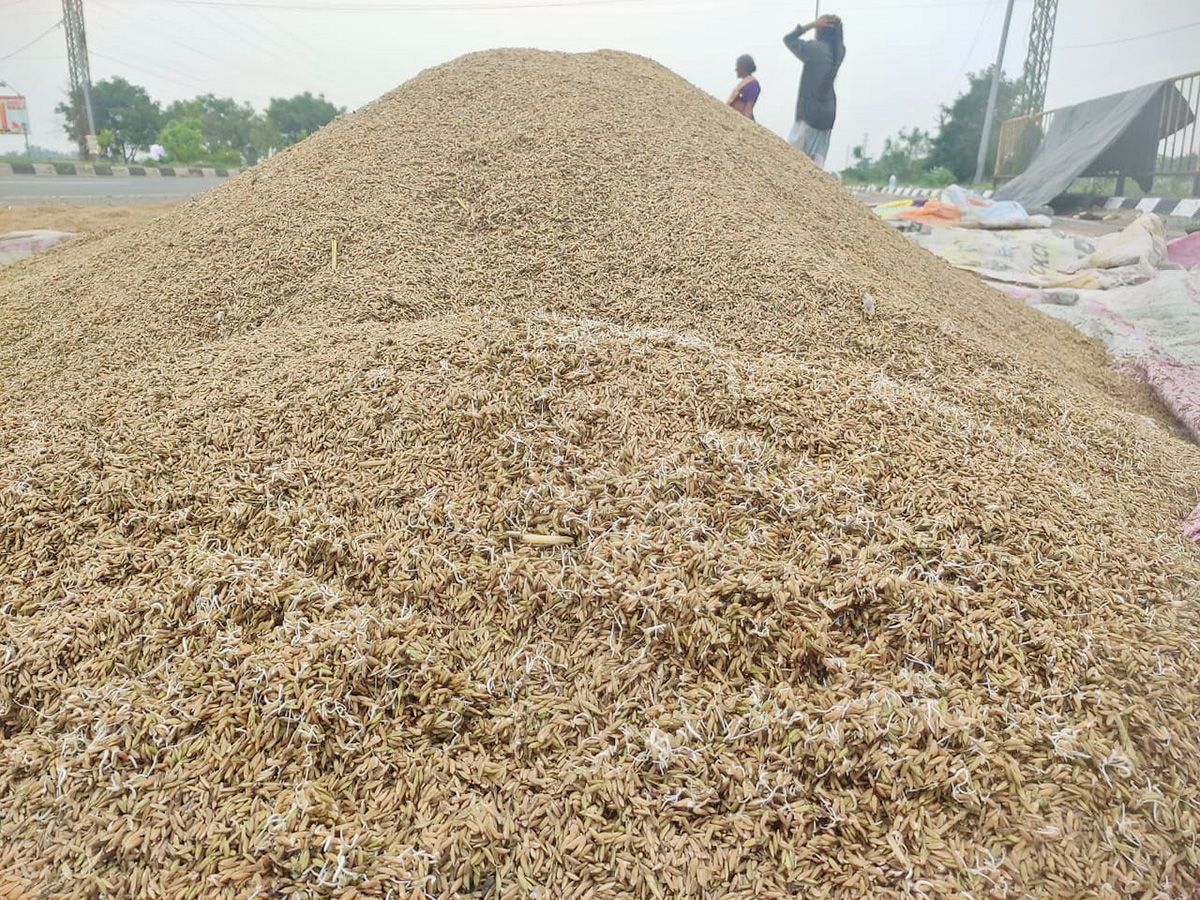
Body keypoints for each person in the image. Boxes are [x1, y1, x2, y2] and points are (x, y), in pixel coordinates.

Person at [783, 13, 845, 168]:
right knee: (815, 165)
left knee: (791, 160)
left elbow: (788, 39)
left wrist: (812, 24)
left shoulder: (815, 49)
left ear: (821, 29)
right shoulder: (840, 51)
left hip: (809, 111)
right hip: (827, 113)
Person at [726, 54, 761, 121]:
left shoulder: (752, 84)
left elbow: (748, 109)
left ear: (743, 67)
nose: (736, 69)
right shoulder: (743, 83)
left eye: (737, 66)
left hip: (738, 120)